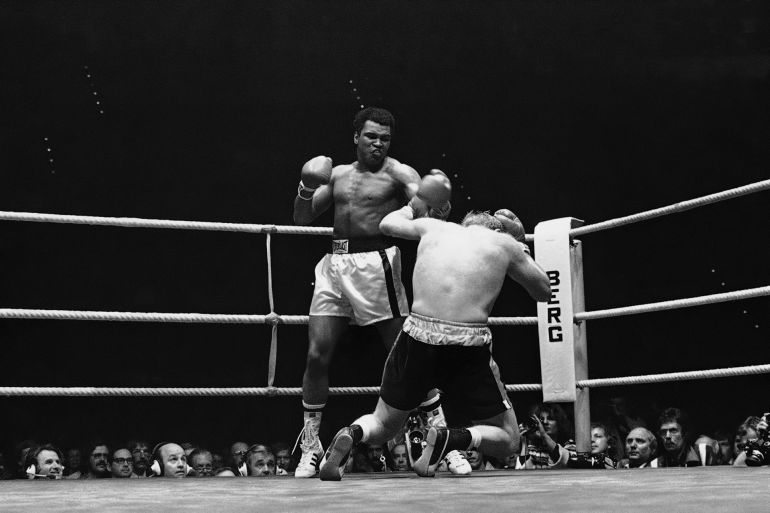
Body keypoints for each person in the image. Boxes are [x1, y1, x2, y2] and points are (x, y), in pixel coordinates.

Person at [318, 194, 551, 480]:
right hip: (466, 344)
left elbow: (387, 223)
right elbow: (544, 290)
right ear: (496, 230)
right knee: (508, 438)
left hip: (416, 334)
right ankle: (451, 439)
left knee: (384, 423)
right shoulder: (503, 243)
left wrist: (414, 205)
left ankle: (352, 433)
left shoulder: (435, 227)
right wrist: (520, 245)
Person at [291, 107, 456, 477]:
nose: (378, 143)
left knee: (407, 355)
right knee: (316, 355)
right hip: (334, 266)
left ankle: (439, 435)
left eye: (384, 138)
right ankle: (310, 446)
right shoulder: (337, 175)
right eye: (371, 136)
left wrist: (437, 201)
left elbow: (429, 213)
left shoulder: (400, 173)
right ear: (356, 137)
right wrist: (304, 186)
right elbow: (302, 217)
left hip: (376, 265)